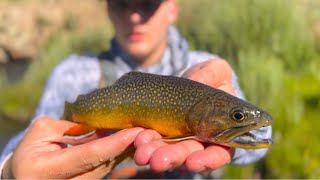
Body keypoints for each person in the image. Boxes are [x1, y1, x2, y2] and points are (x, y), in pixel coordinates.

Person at [0, 0, 272, 178]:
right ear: (107, 8)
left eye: (147, 3)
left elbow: (263, 138)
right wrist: (10, 169)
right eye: (121, 3)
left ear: (172, 8)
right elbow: (34, 135)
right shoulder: (71, 73)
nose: (134, 16)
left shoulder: (208, 69)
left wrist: (237, 141)